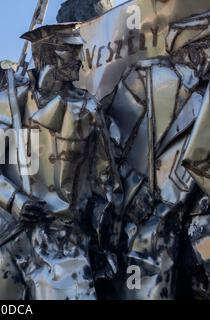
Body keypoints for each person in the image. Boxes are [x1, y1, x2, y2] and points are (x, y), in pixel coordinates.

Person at [0, 23, 121, 300]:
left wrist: (98, 233)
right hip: (10, 242)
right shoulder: (11, 99)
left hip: (64, 243)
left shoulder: (88, 108)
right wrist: (15, 201)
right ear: (46, 55)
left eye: (78, 51)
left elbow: (105, 179)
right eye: (69, 52)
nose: (79, 60)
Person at [104, 11, 210, 299]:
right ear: (192, 51)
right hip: (151, 217)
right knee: (144, 289)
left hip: (198, 215)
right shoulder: (145, 79)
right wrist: (136, 193)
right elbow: (111, 144)